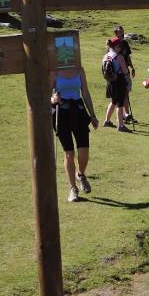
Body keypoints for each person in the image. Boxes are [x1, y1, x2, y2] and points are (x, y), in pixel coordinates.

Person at [50, 66, 99, 202]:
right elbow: (47, 96)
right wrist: (53, 99)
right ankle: (73, 189)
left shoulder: (79, 70)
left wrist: (93, 115)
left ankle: (81, 174)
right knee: (69, 153)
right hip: (61, 113)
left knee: (84, 153)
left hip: (79, 111)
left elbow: (85, 93)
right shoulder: (54, 71)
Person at [102, 37, 131, 132]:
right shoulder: (119, 56)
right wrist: (127, 76)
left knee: (113, 101)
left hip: (110, 82)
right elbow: (125, 71)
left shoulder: (106, 56)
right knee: (120, 103)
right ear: (117, 46)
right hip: (119, 81)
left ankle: (107, 121)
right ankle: (121, 125)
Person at [114, 25, 137, 123]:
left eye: (123, 32)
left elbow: (127, 56)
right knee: (122, 94)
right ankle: (125, 115)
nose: (122, 34)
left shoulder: (125, 43)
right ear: (116, 34)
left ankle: (126, 115)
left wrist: (132, 67)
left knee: (126, 93)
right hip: (118, 73)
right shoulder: (113, 44)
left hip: (126, 71)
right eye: (120, 32)